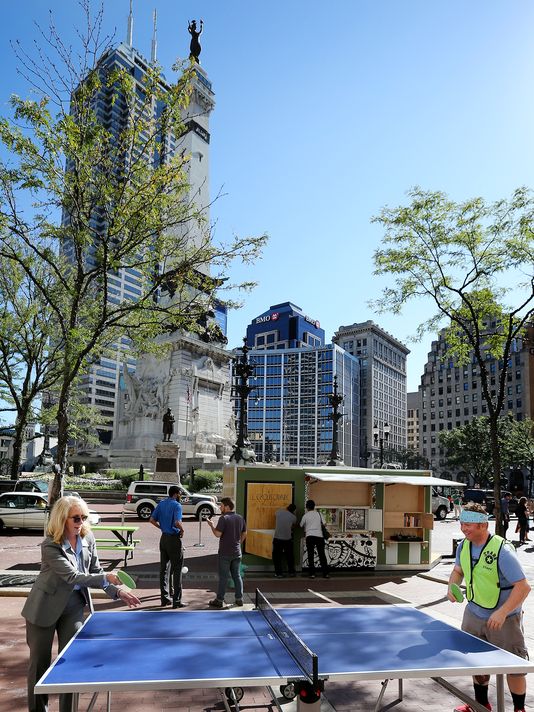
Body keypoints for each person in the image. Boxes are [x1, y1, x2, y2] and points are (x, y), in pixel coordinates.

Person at [21, 496, 140, 712]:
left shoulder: (88, 538)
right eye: (76, 518)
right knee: (39, 666)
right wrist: (107, 577)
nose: (81, 522)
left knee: (70, 662)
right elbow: (73, 576)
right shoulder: (50, 544)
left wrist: (118, 591)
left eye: (84, 517)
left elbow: (94, 572)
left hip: (73, 606)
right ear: (62, 519)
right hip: (44, 607)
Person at [447, 502, 530, 712]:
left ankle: (519, 709)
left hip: (505, 619)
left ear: (483, 525)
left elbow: (523, 587)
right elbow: (458, 571)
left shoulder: (502, 550)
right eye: (462, 524)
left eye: (468, 525)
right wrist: (452, 586)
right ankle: (481, 705)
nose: (463, 528)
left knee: (514, 667)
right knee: (477, 663)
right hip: (473, 614)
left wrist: (502, 613)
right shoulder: (463, 546)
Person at [206, 496, 246, 608]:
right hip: (237, 552)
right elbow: (244, 533)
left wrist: (211, 526)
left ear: (227, 507)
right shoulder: (240, 518)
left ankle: (219, 600)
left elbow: (217, 534)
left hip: (224, 553)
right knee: (237, 576)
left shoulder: (224, 518)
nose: (220, 507)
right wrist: (238, 543)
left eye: (222, 506)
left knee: (223, 577)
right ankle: (239, 599)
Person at [150, 485, 185, 608]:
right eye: (180, 493)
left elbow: (152, 520)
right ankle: (176, 600)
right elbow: (177, 522)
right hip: (173, 539)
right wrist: (182, 530)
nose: (180, 495)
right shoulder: (177, 505)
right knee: (177, 569)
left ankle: (164, 598)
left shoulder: (161, 504)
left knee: (163, 569)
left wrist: (161, 528)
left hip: (163, 538)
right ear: (176, 494)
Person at [300, 499, 329, 579]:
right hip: (319, 536)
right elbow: (325, 524)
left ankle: (312, 574)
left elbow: (301, 525)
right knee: (322, 555)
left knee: (310, 555)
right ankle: (325, 573)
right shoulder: (319, 514)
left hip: (310, 536)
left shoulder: (305, 515)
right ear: (314, 506)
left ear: (307, 507)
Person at [272, 503, 297, 578]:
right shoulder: (293, 517)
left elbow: (275, 515)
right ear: (293, 510)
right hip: (287, 539)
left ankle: (279, 573)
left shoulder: (279, 512)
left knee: (277, 556)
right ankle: (291, 572)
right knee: (289, 556)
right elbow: (293, 526)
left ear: (287, 507)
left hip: (277, 538)